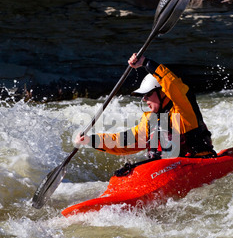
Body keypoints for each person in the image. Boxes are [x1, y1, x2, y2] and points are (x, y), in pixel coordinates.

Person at [75, 53, 216, 161]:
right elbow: (124, 142)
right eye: (143, 96)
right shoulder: (150, 121)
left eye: (148, 94)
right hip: (163, 171)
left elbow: (173, 86)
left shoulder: (184, 110)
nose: (144, 99)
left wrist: (146, 63)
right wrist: (91, 140)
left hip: (197, 162)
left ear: (162, 93)